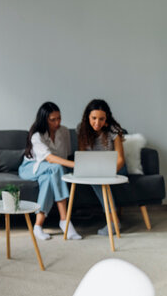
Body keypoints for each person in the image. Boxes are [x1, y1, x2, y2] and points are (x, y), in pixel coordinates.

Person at [18, 102, 82, 240]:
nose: (57, 122)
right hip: (31, 167)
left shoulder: (64, 131)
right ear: (44, 120)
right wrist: (76, 165)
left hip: (52, 170)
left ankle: (38, 226)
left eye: (59, 118)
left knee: (49, 179)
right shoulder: (37, 135)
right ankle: (65, 220)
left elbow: (65, 154)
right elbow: (51, 159)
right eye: (53, 120)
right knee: (56, 167)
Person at [77, 99, 127, 236]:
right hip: (95, 169)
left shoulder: (113, 130)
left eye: (101, 119)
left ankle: (113, 221)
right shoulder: (81, 129)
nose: (97, 123)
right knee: (96, 178)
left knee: (99, 179)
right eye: (94, 118)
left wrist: (107, 172)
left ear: (107, 118)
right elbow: (83, 156)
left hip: (117, 167)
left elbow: (121, 159)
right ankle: (114, 221)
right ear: (88, 117)